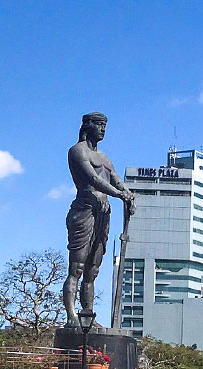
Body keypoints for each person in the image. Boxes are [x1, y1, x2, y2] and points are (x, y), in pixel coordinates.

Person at [62, 112, 135, 327]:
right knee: (77, 266)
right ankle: (71, 317)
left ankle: (87, 314)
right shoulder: (77, 151)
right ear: (88, 125)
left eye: (105, 126)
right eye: (99, 125)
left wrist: (127, 193)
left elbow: (116, 180)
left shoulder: (105, 158)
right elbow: (92, 178)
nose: (103, 129)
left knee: (93, 269)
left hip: (103, 212)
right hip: (85, 208)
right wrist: (118, 194)